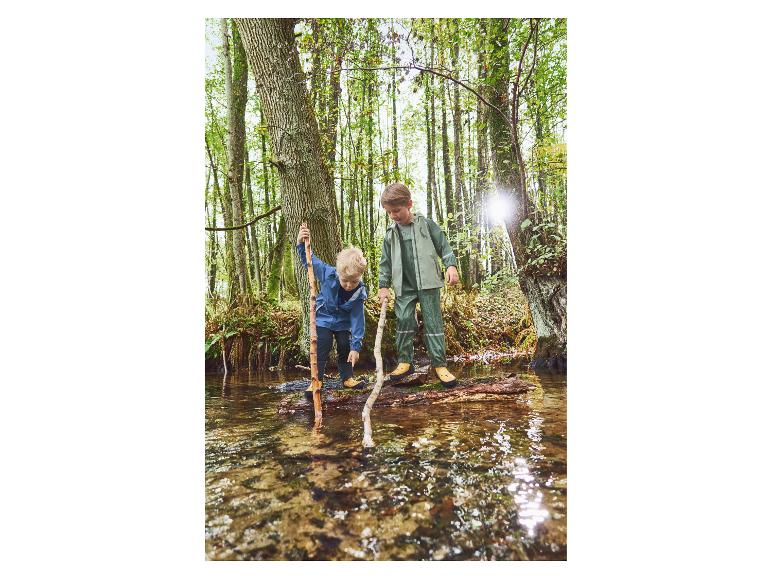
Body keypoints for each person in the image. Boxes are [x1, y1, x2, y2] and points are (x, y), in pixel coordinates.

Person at [377, 182, 460, 387]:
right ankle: (405, 362)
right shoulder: (390, 234)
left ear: (409, 205)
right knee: (404, 320)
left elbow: (443, 245)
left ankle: (440, 364)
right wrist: (383, 285)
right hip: (403, 285)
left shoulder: (426, 224)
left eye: (397, 211)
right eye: (389, 213)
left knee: (433, 322)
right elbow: (385, 262)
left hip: (428, 282)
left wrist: (450, 266)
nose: (394, 216)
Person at [297, 224, 368, 396]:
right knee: (322, 345)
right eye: (345, 281)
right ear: (338, 273)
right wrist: (301, 243)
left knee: (345, 345)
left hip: (343, 323)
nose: (349, 285)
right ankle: (317, 380)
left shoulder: (358, 293)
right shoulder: (327, 273)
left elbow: (358, 320)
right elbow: (309, 260)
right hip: (323, 318)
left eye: (354, 281)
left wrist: (356, 347)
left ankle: (347, 378)